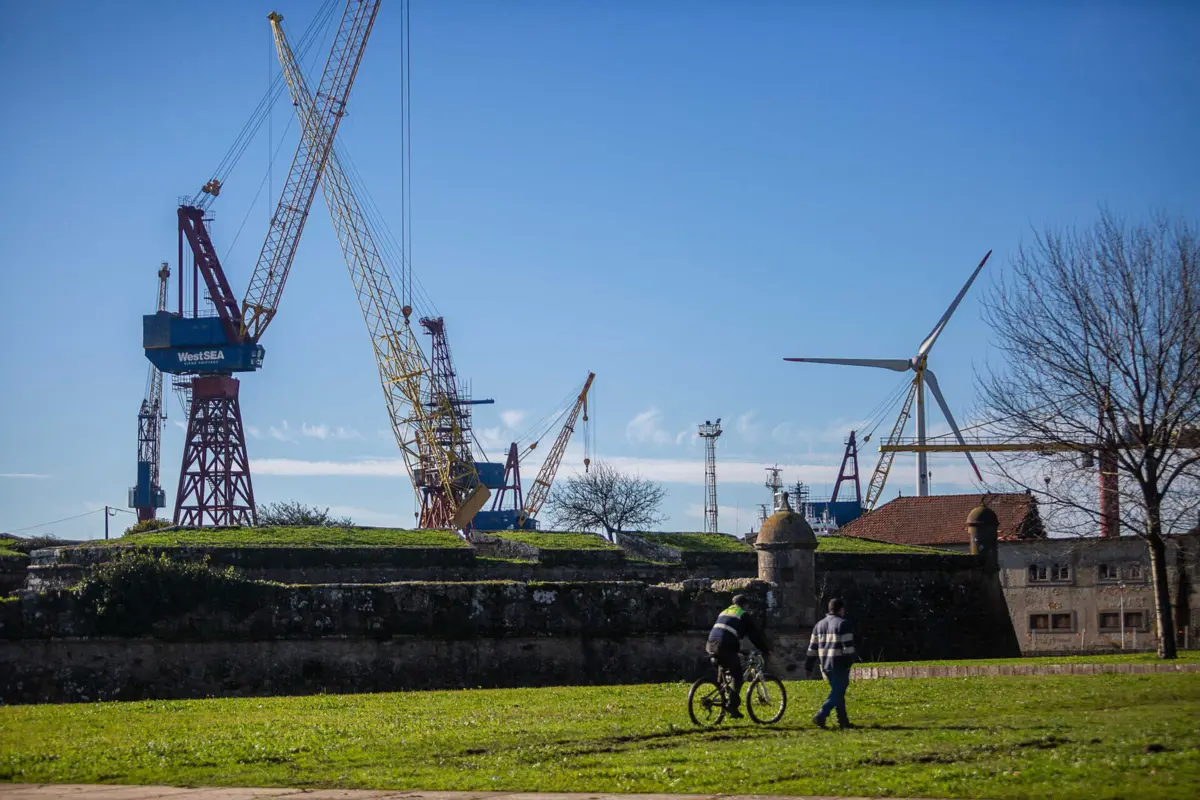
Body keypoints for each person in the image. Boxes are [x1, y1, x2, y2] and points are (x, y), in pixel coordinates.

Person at [706, 593, 770, 718]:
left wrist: (738, 649)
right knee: (737, 675)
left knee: (725, 665)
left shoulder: (724, 612)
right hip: (724, 646)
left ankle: (723, 694)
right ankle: (732, 706)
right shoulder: (743, 614)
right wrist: (766, 650)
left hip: (710, 645)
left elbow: (725, 632)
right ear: (745, 605)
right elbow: (755, 636)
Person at [805, 597, 857, 729]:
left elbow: (812, 649)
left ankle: (843, 720)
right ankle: (821, 714)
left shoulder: (819, 625)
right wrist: (849, 662)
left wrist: (808, 666)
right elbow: (848, 649)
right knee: (838, 691)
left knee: (837, 691)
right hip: (839, 663)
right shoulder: (843, 624)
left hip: (825, 665)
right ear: (840, 609)